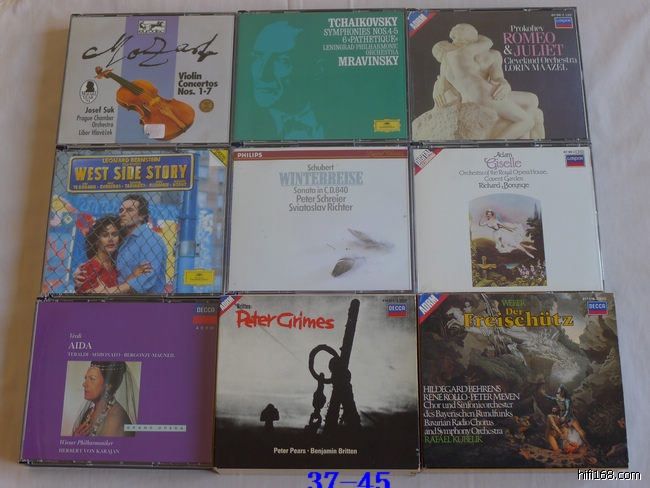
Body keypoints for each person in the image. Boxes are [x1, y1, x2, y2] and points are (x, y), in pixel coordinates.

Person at [432, 24, 544, 139]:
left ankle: (522, 138)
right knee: (528, 120)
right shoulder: (463, 52)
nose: (453, 42)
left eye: (454, 38)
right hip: (485, 94)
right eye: (452, 40)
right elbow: (488, 42)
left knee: (532, 101)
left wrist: (504, 84)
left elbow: (442, 88)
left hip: (474, 97)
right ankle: (498, 143)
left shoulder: (448, 60)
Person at [249, 20, 324, 139]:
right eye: (257, 57)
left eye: (282, 60)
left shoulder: (338, 121)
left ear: (316, 69)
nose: (262, 74)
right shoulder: (247, 129)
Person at [74, 215, 151, 294]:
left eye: (114, 234)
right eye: (105, 235)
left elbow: (117, 290)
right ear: (96, 241)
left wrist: (133, 275)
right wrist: (133, 276)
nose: (111, 239)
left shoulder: (115, 266)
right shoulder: (88, 268)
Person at [72, 361, 137, 437]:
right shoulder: (89, 413)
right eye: (86, 378)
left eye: (92, 379)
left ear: (108, 385)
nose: (84, 384)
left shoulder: (115, 420)